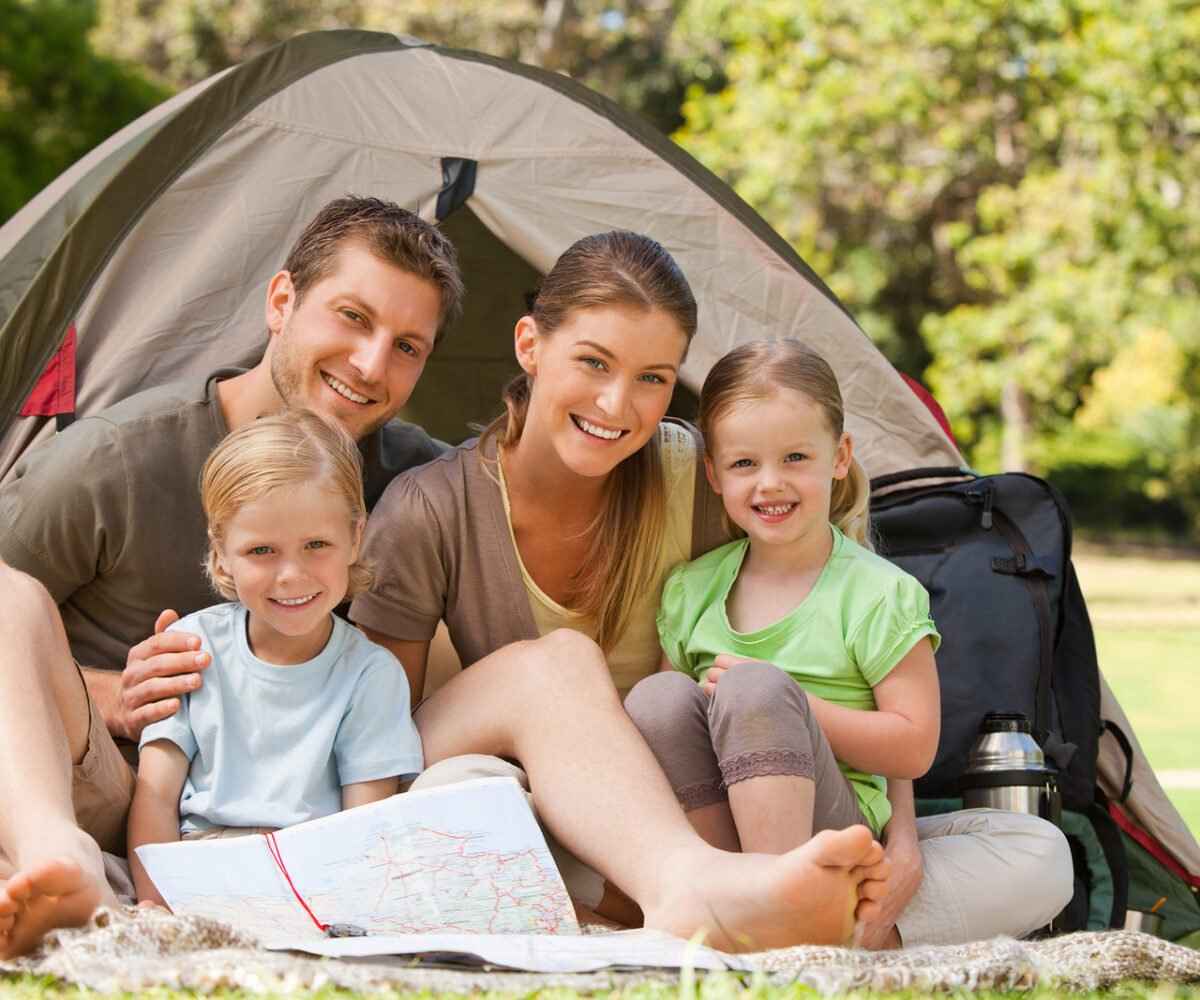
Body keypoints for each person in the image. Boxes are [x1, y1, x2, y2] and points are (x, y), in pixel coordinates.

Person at [351, 232, 1074, 949]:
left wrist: (906, 841)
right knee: (467, 785)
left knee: (1035, 852)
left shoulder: (703, 476)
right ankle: (761, 915)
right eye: (593, 362)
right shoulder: (431, 510)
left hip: (736, 808)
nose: (616, 404)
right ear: (530, 345)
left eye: (653, 378)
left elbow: (859, 669)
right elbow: (382, 740)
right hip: (575, 818)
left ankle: (688, 918)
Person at [0, 195, 461, 957]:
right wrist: (112, 696)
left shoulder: (416, 484)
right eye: (352, 317)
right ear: (282, 301)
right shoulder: (118, 457)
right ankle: (59, 855)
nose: (371, 365)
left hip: (280, 816)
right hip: (98, 781)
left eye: (407, 346)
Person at [625, 339, 939, 858]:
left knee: (756, 690)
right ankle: (719, 885)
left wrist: (795, 704)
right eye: (744, 463)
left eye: (795, 458)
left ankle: (780, 895)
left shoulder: (879, 594)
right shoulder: (692, 589)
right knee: (656, 698)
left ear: (839, 458)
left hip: (832, 824)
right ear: (714, 475)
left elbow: (915, 748)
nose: (770, 484)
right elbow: (672, 730)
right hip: (719, 820)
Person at [128, 412, 423, 906]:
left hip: (313, 879)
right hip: (198, 864)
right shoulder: (191, 648)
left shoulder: (370, 675)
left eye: (316, 545)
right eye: (262, 550)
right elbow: (156, 795)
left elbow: (364, 827)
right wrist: (154, 910)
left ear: (355, 536)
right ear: (221, 553)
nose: (291, 575)